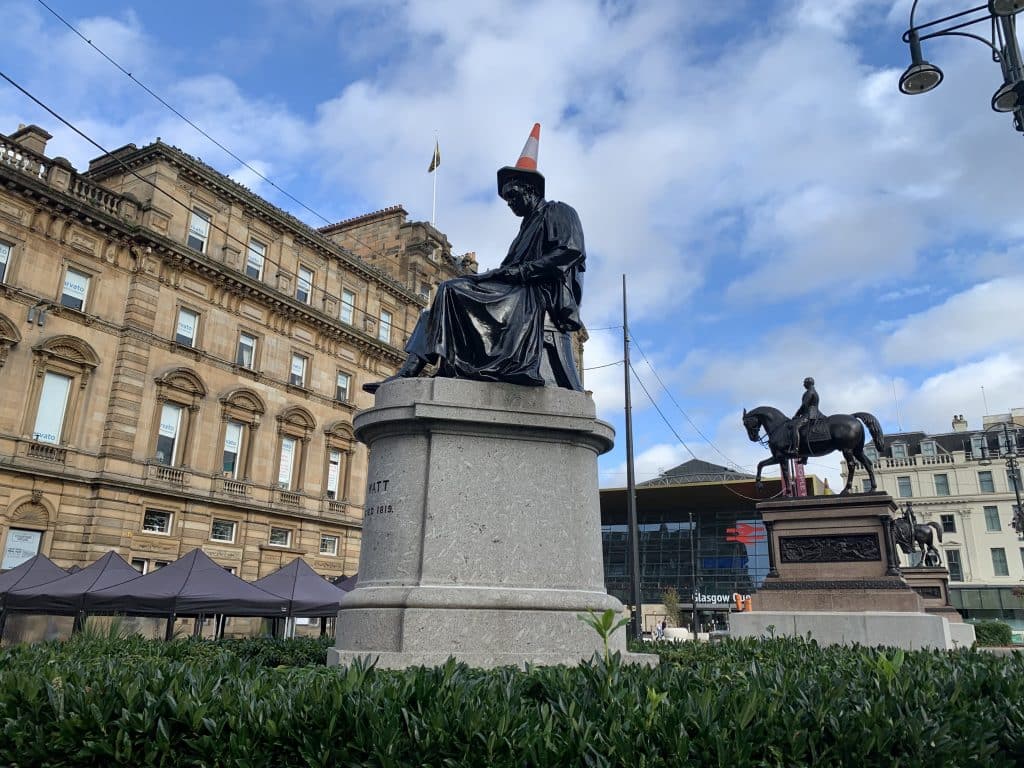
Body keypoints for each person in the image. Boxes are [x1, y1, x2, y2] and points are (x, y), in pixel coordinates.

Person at [363, 123, 585, 394]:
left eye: (513, 196)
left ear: (531, 189)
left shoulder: (559, 211)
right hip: (517, 288)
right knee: (432, 311)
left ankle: (443, 367)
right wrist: (491, 276)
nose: (510, 204)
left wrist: (522, 272)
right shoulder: (526, 227)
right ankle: (408, 371)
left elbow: (570, 252)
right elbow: (507, 269)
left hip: (539, 292)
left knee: (449, 288)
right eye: (506, 200)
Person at [789, 376, 820, 458]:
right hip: (814, 412)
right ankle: (804, 456)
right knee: (804, 431)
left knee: (795, 428)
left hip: (810, 414)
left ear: (808, 383)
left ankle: (795, 449)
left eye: (804, 383)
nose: (803, 385)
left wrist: (796, 415)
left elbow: (804, 405)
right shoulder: (813, 391)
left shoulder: (810, 392)